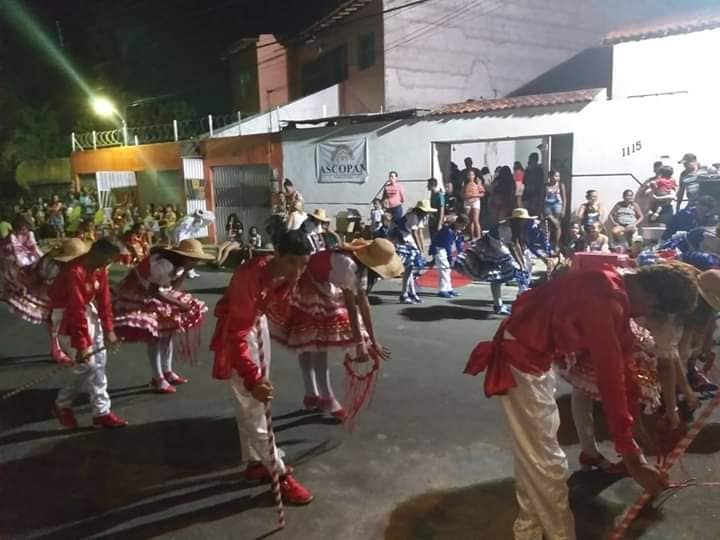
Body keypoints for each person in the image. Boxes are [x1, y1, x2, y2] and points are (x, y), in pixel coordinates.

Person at [465, 263, 698, 540]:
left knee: (535, 454)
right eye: (651, 309)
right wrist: (632, 458)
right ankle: (558, 534)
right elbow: (610, 375)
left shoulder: (614, 284)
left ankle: (528, 528)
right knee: (548, 463)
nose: (643, 315)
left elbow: (622, 368)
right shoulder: (605, 300)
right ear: (652, 296)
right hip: (521, 363)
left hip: (534, 358)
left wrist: (633, 432)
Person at [210, 230, 314, 504]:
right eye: (292, 262)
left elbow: (273, 305)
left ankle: (256, 461)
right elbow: (237, 331)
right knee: (254, 402)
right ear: (276, 253)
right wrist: (252, 377)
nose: (298, 270)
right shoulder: (248, 276)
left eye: (304, 264)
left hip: (257, 325)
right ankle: (279, 473)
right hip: (239, 335)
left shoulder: (283, 273)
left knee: (252, 405)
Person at [269, 238, 400, 418]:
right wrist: (360, 344)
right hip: (306, 283)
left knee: (313, 342)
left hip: (322, 284)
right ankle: (323, 395)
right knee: (313, 342)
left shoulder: (358, 266)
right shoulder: (347, 265)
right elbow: (351, 307)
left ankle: (314, 395)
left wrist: (373, 339)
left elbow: (363, 302)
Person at [113, 239, 212, 393]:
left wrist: (184, 272)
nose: (196, 262)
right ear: (184, 256)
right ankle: (157, 377)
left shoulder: (178, 266)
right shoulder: (165, 265)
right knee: (155, 337)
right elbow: (153, 291)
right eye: (194, 259)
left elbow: (173, 288)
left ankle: (167, 371)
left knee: (168, 334)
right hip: (142, 294)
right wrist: (178, 304)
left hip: (159, 291)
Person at [50, 238, 127, 429]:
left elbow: (105, 301)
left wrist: (109, 330)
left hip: (87, 313)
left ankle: (102, 411)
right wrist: (81, 344)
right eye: (109, 259)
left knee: (100, 363)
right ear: (98, 253)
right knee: (86, 366)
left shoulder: (100, 269)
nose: (110, 263)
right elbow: (75, 310)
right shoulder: (74, 271)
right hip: (67, 318)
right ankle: (62, 404)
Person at [455, 208, 549, 316]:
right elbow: (511, 247)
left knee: (520, 269)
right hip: (493, 248)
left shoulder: (517, 228)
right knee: (500, 274)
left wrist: (522, 262)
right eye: (522, 220)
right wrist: (519, 263)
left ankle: (517, 300)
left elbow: (516, 244)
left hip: (502, 247)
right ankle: (499, 305)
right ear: (517, 220)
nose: (524, 221)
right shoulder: (505, 228)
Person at [393, 200, 437, 304]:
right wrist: (418, 249)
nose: (427, 214)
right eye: (426, 211)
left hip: (407, 239)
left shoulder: (419, 218)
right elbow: (415, 234)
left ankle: (410, 293)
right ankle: (405, 294)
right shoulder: (413, 216)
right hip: (401, 240)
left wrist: (421, 249)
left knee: (410, 269)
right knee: (408, 268)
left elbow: (419, 233)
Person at [170, 209, 215, 278]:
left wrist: (191, 240)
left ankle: (190, 270)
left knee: (192, 255)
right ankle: (182, 270)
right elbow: (179, 231)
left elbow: (192, 233)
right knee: (183, 255)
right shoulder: (187, 220)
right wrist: (178, 241)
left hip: (187, 237)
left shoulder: (199, 222)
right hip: (180, 237)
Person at [430, 214, 467, 298]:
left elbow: (458, 243)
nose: (464, 228)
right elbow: (447, 245)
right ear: (457, 223)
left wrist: (460, 253)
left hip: (445, 249)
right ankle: (442, 290)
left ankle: (448, 288)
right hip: (439, 249)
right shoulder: (448, 231)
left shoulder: (456, 231)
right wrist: (450, 257)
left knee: (448, 270)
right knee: (444, 269)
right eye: (462, 225)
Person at [543, 170, 566, 253]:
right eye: (556, 176)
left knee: (557, 225)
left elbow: (564, 198)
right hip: (547, 205)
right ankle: (546, 244)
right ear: (551, 176)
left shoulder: (560, 185)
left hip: (557, 205)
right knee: (547, 225)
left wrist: (563, 209)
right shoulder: (546, 185)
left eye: (558, 176)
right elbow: (542, 197)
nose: (557, 178)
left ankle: (556, 245)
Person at [463, 169, 485, 240]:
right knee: (469, 220)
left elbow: (482, 194)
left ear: (474, 176)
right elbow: (462, 193)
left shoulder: (477, 183)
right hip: (467, 201)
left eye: (472, 175)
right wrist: (465, 196)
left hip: (475, 201)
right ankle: (471, 236)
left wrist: (474, 195)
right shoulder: (465, 184)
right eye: (469, 175)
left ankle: (478, 236)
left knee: (475, 219)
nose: (470, 176)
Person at [521, 152, 545, 216]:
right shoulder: (527, 171)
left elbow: (541, 186)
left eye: (531, 160)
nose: (529, 161)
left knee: (534, 215)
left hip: (535, 197)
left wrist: (540, 200)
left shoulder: (539, 171)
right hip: (527, 196)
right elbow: (524, 182)